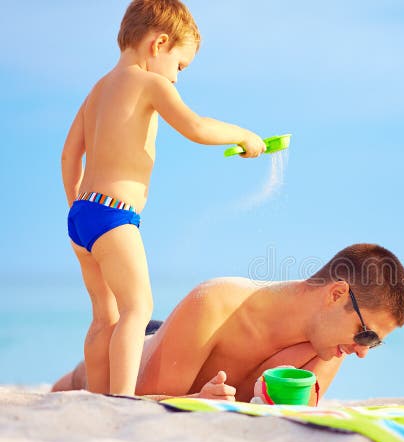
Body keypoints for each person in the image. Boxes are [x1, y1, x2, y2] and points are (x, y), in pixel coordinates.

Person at [62, 0, 267, 396]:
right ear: (159, 44)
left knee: (104, 317)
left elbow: (70, 155)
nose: (176, 79)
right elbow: (195, 126)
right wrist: (244, 135)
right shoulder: (149, 83)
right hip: (113, 215)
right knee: (137, 309)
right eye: (180, 65)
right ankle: (121, 399)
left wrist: (75, 204)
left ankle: (97, 399)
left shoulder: (97, 90)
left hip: (82, 216)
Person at [52, 244, 404, 404]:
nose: (362, 352)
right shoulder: (218, 305)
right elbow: (138, 401)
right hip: (146, 344)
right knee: (82, 379)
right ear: (336, 294)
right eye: (366, 335)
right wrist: (195, 400)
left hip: (180, 346)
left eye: (374, 343)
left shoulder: (331, 348)